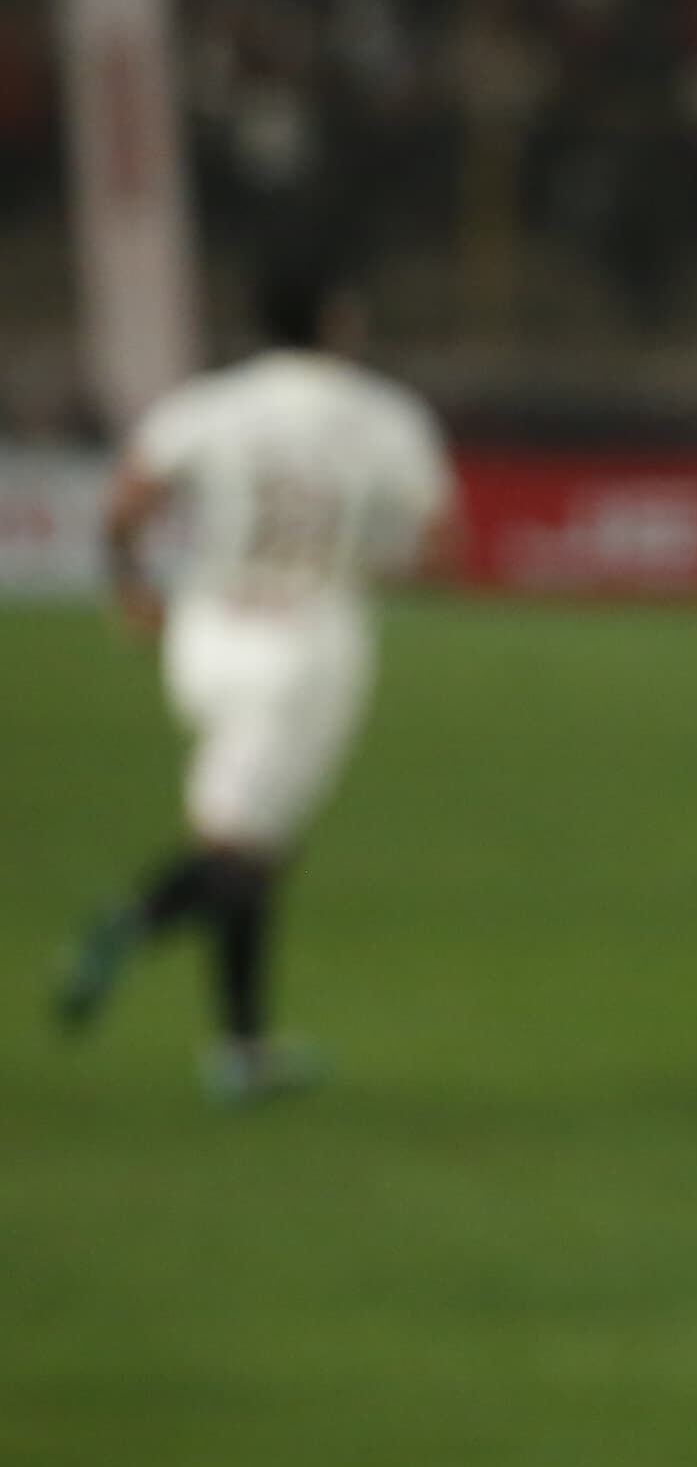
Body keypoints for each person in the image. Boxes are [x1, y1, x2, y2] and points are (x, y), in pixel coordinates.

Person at [54, 268, 456, 1102]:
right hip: (306, 645)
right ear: (340, 321)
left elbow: (126, 502)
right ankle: (134, 922)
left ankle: (243, 1053)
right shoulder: (382, 416)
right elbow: (438, 547)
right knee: (239, 851)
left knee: (252, 847)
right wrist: (370, 562)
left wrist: (132, 593)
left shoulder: (208, 403)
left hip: (205, 638)